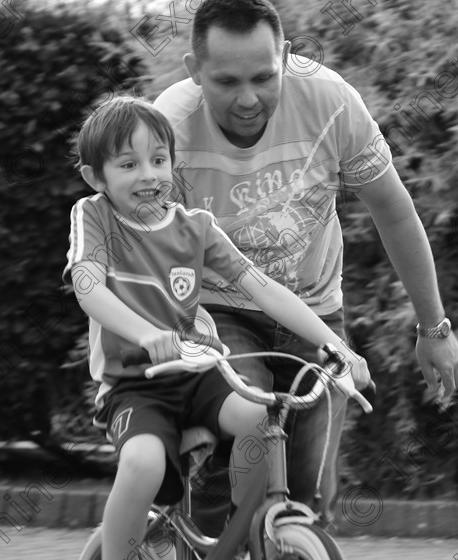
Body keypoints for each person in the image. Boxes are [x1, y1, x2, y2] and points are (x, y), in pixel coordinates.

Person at [154, 0, 458, 530]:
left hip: (312, 311)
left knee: (309, 490)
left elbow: (394, 212)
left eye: (263, 77)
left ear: (287, 57)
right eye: (226, 81)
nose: (248, 99)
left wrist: (434, 327)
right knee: (239, 448)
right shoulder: (168, 129)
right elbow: (146, 251)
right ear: (194, 71)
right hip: (216, 308)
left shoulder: (330, 102)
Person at [62, 96, 370, 560]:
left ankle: (242, 533)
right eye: (128, 164)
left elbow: (264, 288)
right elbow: (88, 286)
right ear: (95, 177)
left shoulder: (197, 227)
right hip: (136, 386)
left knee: (258, 419)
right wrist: (148, 335)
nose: (148, 175)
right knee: (142, 462)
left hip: (201, 375)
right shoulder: (95, 217)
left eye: (159, 160)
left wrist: (335, 345)